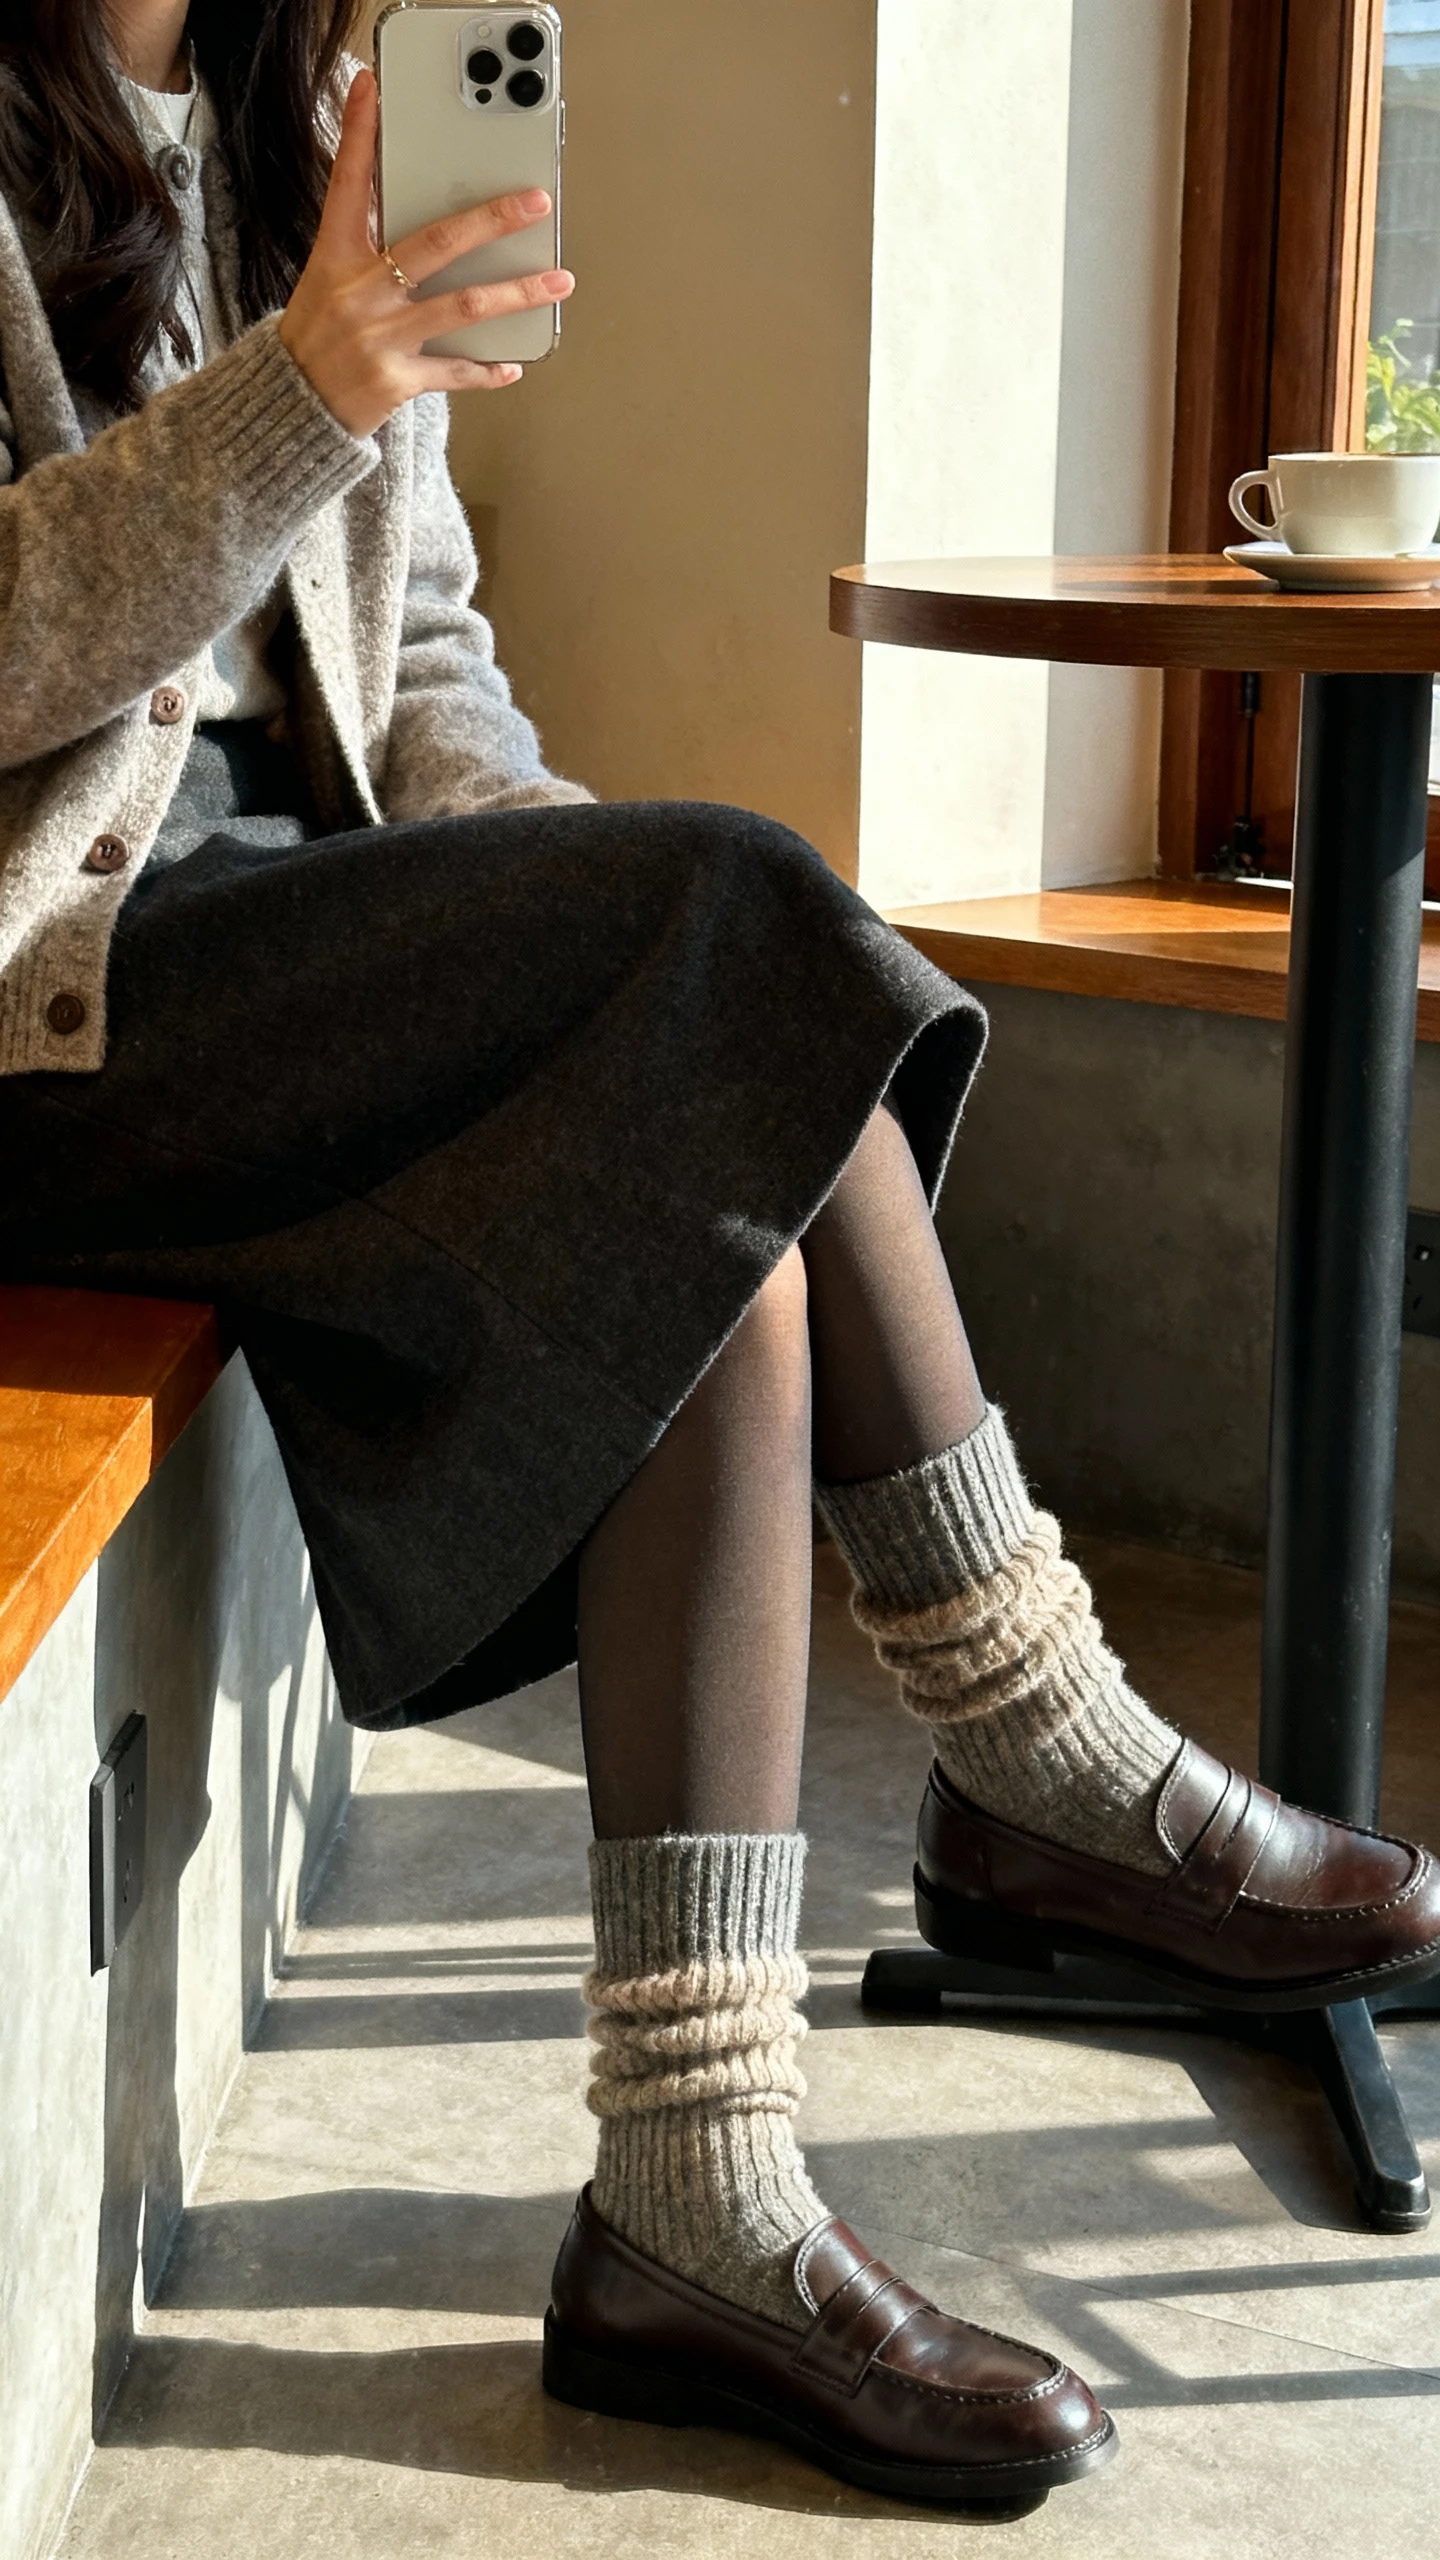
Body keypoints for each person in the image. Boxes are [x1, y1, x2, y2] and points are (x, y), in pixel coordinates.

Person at [3, 0, 1438, 2513]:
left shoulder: (290, 110)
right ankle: (1038, 1753)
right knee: (728, 954)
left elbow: (420, 653)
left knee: (720, 1173)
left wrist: (599, 932)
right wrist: (310, 382)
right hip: (54, 998)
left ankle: (691, 2184)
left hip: (287, 948)